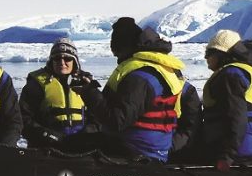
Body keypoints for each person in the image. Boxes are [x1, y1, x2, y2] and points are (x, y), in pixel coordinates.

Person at [73, 17, 186, 162]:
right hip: (154, 146)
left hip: (137, 150)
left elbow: (117, 121)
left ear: (123, 47)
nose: (115, 55)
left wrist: (89, 92)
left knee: (70, 146)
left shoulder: (139, 77)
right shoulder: (159, 68)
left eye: (116, 50)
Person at [192, 29, 252, 164]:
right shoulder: (245, 71)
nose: (206, 58)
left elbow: (237, 115)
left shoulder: (230, 75)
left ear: (221, 54)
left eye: (209, 53)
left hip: (235, 151)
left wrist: (228, 154)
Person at [21, 38, 92, 146]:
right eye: (57, 58)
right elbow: (23, 118)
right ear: (51, 61)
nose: (62, 62)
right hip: (46, 147)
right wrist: (46, 135)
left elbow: (99, 117)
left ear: (75, 61)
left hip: (81, 145)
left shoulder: (86, 83)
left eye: (67, 58)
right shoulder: (36, 85)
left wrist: (88, 132)